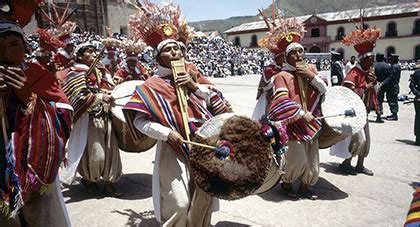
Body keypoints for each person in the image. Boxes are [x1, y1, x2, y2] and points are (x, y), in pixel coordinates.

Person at [124, 1, 232, 225]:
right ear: (158, 57)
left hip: (204, 144)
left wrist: (195, 88)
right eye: (168, 49)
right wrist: (166, 134)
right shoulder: (150, 85)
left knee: (204, 197)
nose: (175, 52)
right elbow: (140, 121)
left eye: (178, 48)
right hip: (173, 147)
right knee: (180, 202)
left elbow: (220, 106)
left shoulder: (194, 74)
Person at [0, 20, 73, 226]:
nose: (6, 51)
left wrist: (27, 97)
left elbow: (64, 113)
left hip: (33, 165)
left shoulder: (36, 72)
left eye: (13, 44)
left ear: (25, 47)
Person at [256, 14, 327, 200]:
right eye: (293, 53)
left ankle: (305, 186)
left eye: (301, 51)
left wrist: (311, 77)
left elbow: (324, 90)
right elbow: (280, 101)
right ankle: (287, 184)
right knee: (297, 159)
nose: (298, 55)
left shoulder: (311, 72)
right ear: (286, 57)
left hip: (312, 122)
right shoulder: (281, 76)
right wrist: (301, 113)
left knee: (312, 160)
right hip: (294, 123)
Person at [59, 43, 122, 197]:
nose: (94, 54)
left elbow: (102, 87)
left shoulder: (98, 70)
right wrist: (101, 97)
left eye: (94, 51)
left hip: (105, 115)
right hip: (89, 119)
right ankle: (89, 180)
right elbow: (78, 97)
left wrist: (109, 90)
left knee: (110, 150)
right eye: (89, 52)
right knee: (96, 153)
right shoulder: (75, 72)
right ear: (79, 56)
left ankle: (109, 182)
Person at [332, 26, 381, 176]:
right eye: (370, 60)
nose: (372, 63)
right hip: (354, 113)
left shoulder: (368, 73)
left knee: (367, 141)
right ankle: (346, 163)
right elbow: (347, 94)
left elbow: (375, 91)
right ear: (362, 60)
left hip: (365, 111)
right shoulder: (353, 73)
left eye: (373, 60)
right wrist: (366, 87)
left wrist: (374, 85)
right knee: (359, 139)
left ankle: (360, 165)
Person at [374, 52, 391, 123]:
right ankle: (379, 114)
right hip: (384, 85)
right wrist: (383, 83)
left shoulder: (373, 65)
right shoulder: (387, 66)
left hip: (375, 85)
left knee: (375, 100)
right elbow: (390, 76)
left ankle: (377, 114)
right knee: (380, 100)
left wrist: (376, 82)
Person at [383, 54, 401, 121]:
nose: (389, 60)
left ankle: (394, 115)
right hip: (395, 86)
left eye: (390, 59)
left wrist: (383, 82)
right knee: (393, 100)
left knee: (392, 100)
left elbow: (391, 77)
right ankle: (394, 114)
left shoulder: (394, 67)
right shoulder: (397, 66)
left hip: (392, 86)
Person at [409, 69, 420, 145]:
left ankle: (418, 138)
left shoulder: (416, 73)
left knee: (418, 118)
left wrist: (417, 94)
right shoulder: (417, 73)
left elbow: (411, 85)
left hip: (418, 98)